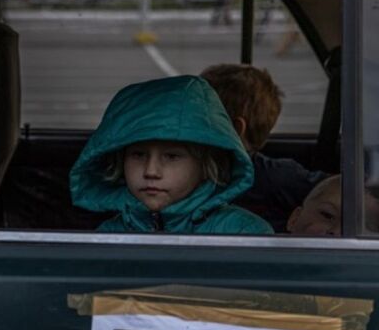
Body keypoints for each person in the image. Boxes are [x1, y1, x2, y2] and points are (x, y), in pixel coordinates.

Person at [69, 75, 272, 234]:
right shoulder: (108, 235)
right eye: (138, 155)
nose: (151, 171)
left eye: (172, 156)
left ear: (206, 166)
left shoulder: (244, 234)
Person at [200, 63, 328, 231]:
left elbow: (339, 190)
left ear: (235, 128)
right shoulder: (189, 171)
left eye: (199, 118)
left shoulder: (278, 177)